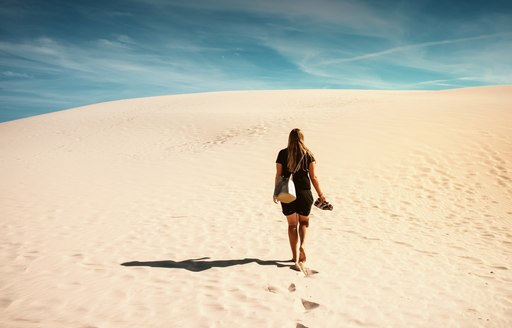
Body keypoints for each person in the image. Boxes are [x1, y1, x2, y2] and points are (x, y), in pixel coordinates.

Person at [273, 128, 326, 271]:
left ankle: (294, 256)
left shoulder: (283, 153)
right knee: (304, 222)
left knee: (292, 225)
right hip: (304, 193)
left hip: (287, 193)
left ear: (289, 138)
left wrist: (275, 192)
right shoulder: (308, 154)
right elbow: (314, 177)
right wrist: (321, 194)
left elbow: (278, 175)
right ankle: (302, 246)